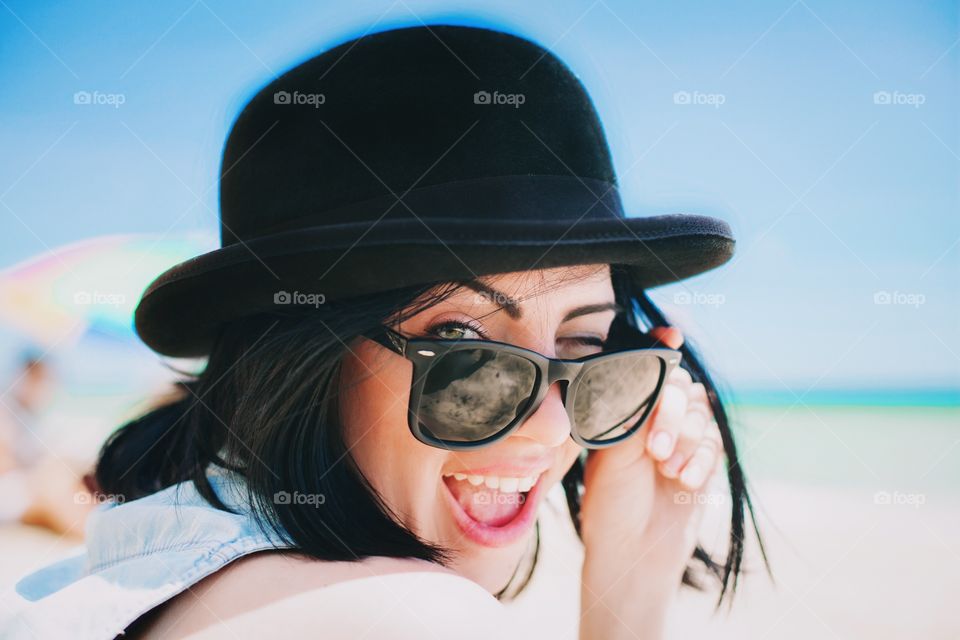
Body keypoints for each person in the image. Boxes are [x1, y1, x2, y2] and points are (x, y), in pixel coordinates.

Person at [3, 24, 767, 639]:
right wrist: (626, 614)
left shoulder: (161, 559)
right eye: (466, 347)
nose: (548, 431)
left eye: (587, 350)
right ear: (302, 359)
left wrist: (632, 562)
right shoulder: (412, 618)